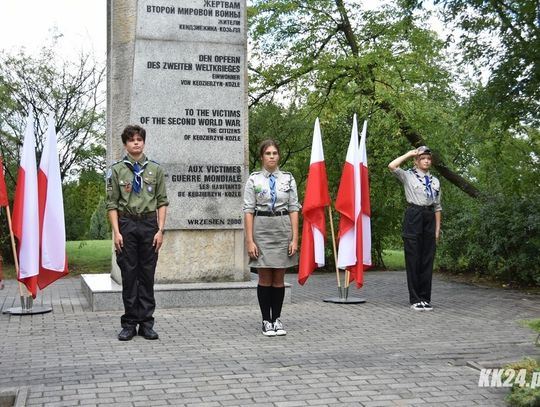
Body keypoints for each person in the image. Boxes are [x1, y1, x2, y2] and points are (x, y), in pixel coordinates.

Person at [106, 125, 168, 341]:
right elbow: (112, 204)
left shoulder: (155, 170)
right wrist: (117, 232)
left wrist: (160, 230)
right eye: (131, 140)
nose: (136, 143)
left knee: (147, 275)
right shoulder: (116, 170)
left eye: (139, 139)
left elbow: (162, 202)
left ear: (144, 142)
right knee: (130, 275)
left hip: (150, 225)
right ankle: (130, 323)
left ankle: (147, 323)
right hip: (127, 225)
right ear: (125, 144)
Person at [243, 140, 301, 336]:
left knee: (279, 277)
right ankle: (265, 320)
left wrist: (295, 238)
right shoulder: (254, 180)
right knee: (265, 276)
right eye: (268, 153)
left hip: (282, 228)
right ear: (262, 157)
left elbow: (293, 209)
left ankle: (277, 318)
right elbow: (248, 210)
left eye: (275, 153)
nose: (272, 156)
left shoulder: (288, 178)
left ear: (279, 155)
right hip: (262, 228)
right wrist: (250, 240)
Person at [388, 146, 442, 311]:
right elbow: (392, 166)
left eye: (428, 158)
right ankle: (415, 299)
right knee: (413, 258)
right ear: (416, 161)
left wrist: (437, 230)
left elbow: (438, 206)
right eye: (423, 158)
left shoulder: (435, 181)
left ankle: (425, 298)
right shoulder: (408, 175)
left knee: (427, 259)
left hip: (429, 216)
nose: (426, 161)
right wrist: (409, 153)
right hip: (414, 215)